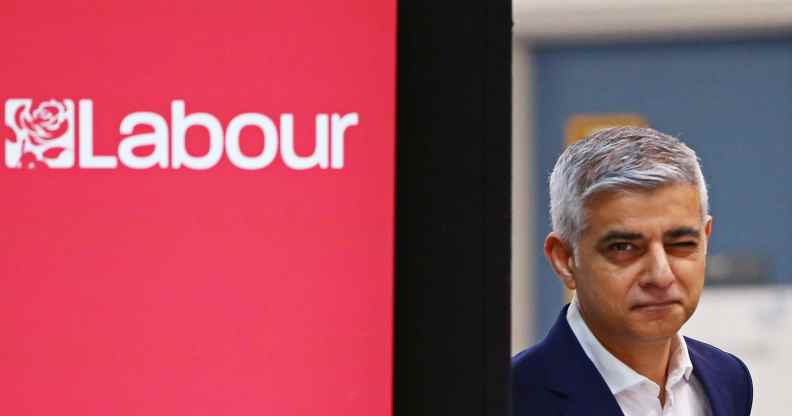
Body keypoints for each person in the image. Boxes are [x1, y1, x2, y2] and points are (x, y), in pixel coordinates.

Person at [512, 127, 753, 415]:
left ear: (705, 238)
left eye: (681, 243)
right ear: (564, 258)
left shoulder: (727, 378)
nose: (661, 275)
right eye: (623, 247)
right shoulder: (510, 399)